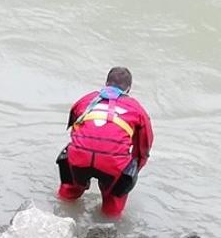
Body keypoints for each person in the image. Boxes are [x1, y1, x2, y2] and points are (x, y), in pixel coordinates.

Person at [56, 67, 153, 218]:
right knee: (112, 205)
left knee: (69, 191)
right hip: (112, 165)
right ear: (129, 89)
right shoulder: (138, 110)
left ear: (106, 83)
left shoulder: (85, 100)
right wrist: (129, 176)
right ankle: (109, 224)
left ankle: (60, 213)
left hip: (78, 158)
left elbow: (74, 130)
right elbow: (142, 152)